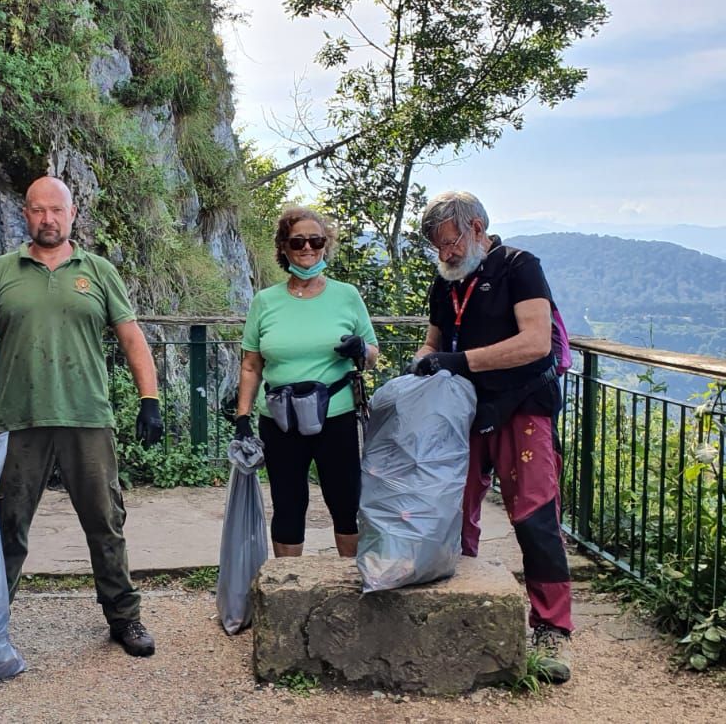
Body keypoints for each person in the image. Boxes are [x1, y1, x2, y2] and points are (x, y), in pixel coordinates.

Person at [0, 175, 165, 657]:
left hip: (86, 417)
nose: (47, 219)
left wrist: (150, 399)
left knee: (105, 521)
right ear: (25, 215)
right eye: (38, 210)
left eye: (56, 210)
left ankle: (124, 617)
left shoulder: (98, 271)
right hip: (20, 419)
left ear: (72, 214)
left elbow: (132, 338)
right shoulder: (0, 272)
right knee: (7, 524)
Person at [411, 189, 573, 684]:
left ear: (477, 228)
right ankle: (461, 607)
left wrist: (458, 362)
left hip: (523, 406)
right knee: (453, 510)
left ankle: (552, 627)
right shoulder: (446, 281)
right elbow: (434, 341)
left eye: (450, 242)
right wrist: (422, 364)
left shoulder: (519, 267)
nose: (445, 254)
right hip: (463, 409)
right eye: (437, 247)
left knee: (534, 515)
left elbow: (536, 342)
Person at [234, 206, 379, 559]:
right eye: (298, 241)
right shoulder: (265, 302)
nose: (308, 248)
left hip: (335, 416)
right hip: (280, 420)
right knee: (287, 506)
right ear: (283, 247)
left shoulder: (346, 295)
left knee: (346, 504)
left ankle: (350, 582)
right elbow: (251, 365)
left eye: (316, 240)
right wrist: (242, 418)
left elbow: (373, 353)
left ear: (326, 244)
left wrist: (360, 348)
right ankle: (288, 584)